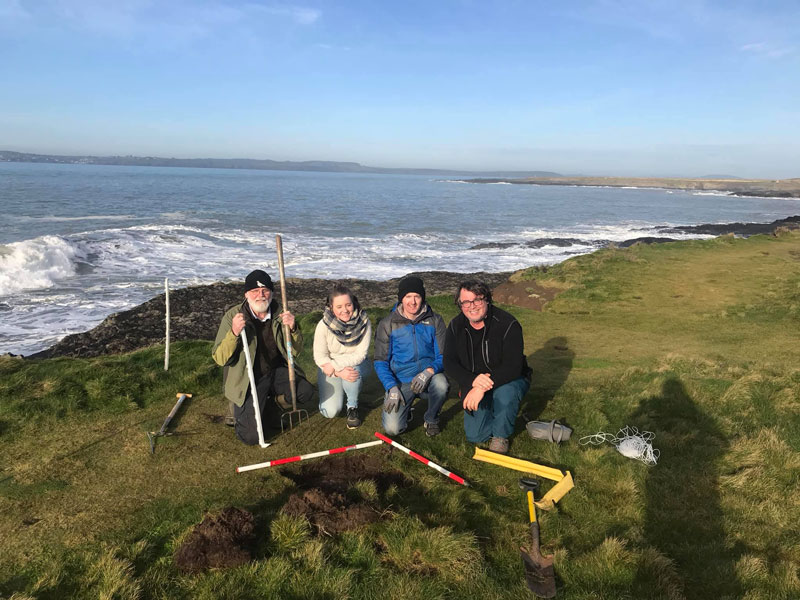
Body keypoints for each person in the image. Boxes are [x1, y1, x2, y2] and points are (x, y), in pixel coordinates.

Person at [212, 269, 314, 445]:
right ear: (246, 294)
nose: (261, 295)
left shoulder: (280, 314)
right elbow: (219, 358)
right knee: (251, 437)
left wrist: (293, 329)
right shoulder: (233, 317)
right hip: (248, 379)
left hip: (275, 372)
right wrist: (234, 332)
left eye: (265, 290)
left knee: (305, 391)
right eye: (255, 291)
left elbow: (294, 352)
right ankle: (238, 411)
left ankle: (272, 407)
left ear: (272, 293)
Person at [443, 280, 531, 454]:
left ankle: (501, 435)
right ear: (460, 304)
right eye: (465, 302)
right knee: (476, 436)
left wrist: (481, 388)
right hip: (475, 381)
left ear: (487, 300)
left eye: (477, 300)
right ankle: (497, 410)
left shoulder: (508, 324)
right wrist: (472, 381)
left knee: (506, 394)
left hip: (509, 379)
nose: (472, 306)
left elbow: (513, 367)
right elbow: (449, 362)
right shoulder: (455, 326)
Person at [374, 275, 448, 436]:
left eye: (417, 296)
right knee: (393, 429)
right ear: (401, 299)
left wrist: (429, 371)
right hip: (401, 381)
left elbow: (443, 355)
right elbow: (380, 361)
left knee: (442, 385)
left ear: (422, 298)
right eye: (408, 296)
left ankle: (431, 419)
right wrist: (391, 386)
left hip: (428, 377)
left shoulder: (435, 320)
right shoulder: (387, 323)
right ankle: (406, 409)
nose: (413, 302)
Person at [313, 284, 372, 429]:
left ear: (354, 303)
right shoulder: (323, 325)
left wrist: (335, 365)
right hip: (330, 367)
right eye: (339, 306)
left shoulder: (364, 322)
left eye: (348, 305)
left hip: (356, 364)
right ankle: (342, 391)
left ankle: (352, 407)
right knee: (330, 411)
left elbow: (360, 354)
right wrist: (338, 371)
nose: (344, 310)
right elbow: (319, 357)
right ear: (331, 307)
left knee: (352, 371)